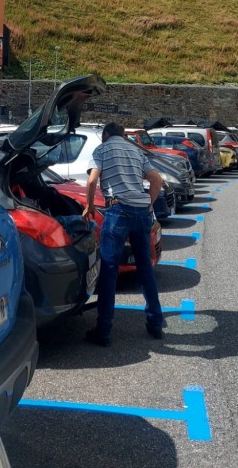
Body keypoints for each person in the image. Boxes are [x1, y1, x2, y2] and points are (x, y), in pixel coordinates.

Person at [83, 121, 164, 347]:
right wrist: (148, 205)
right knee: (145, 267)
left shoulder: (102, 150)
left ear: (106, 134)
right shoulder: (136, 151)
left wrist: (89, 206)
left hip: (118, 210)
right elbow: (157, 180)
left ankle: (104, 331)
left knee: (109, 269)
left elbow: (91, 180)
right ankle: (155, 323)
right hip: (141, 211)